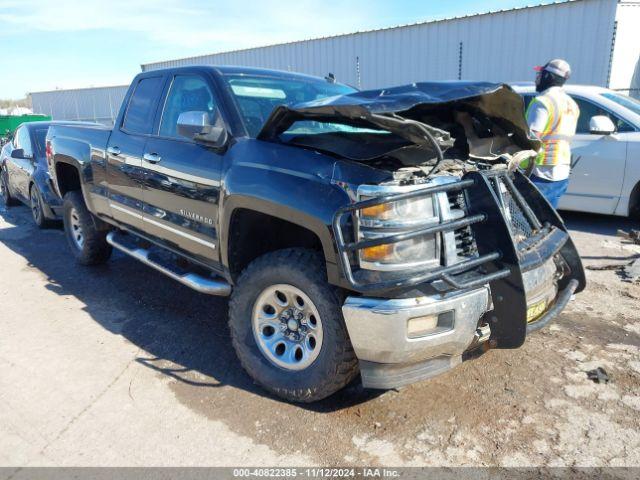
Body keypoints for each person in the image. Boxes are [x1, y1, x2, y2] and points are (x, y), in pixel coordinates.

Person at [525, 59, 579, 209]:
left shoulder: (543, 101)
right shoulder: (571, 104)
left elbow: (532, 138)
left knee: (525, 218)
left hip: (541, 171)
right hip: (561, 170)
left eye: (540, 74)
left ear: (548, 77)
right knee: (547, 220)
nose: (537, 77)